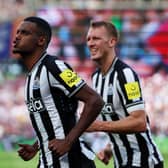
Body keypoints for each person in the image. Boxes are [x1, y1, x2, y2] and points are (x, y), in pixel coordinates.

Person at [12, 16, 105, 168]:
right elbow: (56, 120)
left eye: (24, 33)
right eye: (17, 32)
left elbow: (95, 100)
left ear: (41, 41)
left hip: (72, 161)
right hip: (48, 161)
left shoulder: (54, 66)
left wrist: (68, 142)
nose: (17, 37)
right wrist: (37, 146)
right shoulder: (32, 75)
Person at [86, 20, 164, 168]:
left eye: (96, 38)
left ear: (112, 42)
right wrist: (110, 147)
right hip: (121, 161)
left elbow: (139, 122)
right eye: (88, 39)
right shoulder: (96, 78)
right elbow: (120, 117)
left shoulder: (125, 75)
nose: (90, 43)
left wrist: (99, 125)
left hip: (143, 161)